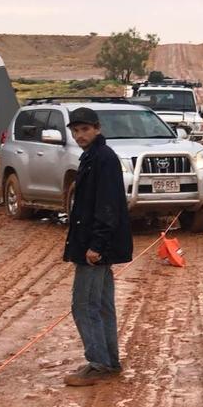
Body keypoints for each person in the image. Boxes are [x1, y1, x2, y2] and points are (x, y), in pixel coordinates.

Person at [62, 107, 133, 387]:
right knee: (102, 305)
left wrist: (96, 245)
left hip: (95, 248)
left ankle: (98, 362)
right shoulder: (92, 157)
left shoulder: (103, 159)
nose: (80, 135)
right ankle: (109, 361)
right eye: (76, 131)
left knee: (83, 305)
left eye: (85, 130)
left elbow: (108, 206)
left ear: (97, 128)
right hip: (94, 244)